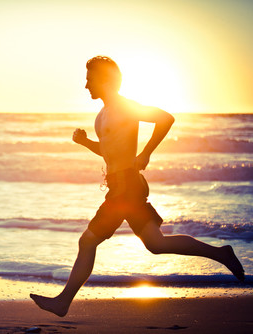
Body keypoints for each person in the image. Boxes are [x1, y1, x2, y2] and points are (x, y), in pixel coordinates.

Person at [30, 55, 245, 317]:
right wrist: (86, 143)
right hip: (122, 185)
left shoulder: (124, 107)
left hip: (126, 188)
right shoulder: (103, 115)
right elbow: (109, 152)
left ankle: (63, 301)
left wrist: (146, 152)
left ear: (104, 79)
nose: (86, 85)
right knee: (156, 243)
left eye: (90, 79)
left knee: (88, 241)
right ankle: (221, 254)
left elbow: (165, 118)